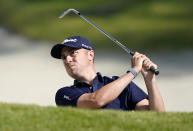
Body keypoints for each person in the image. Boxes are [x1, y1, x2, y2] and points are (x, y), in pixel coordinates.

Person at [51, 36, 165, 111]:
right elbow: (96, 100)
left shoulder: (122, 85)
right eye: (63, 57)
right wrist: (133, 71)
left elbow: (156, 117)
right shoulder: (64, 93)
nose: (67, 60)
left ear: (90, 55)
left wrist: (150, 80)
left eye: (72, 53)